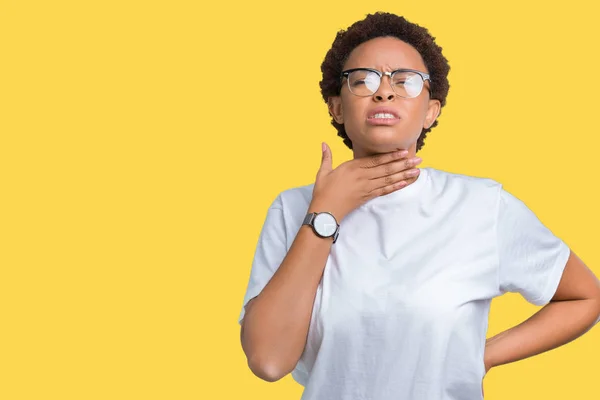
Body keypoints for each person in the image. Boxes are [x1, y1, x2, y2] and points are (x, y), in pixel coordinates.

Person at [237, 12, 600, 400]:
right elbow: (269, 361)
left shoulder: (481, 206)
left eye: (405, 82)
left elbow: (584, 296)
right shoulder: (293, 209)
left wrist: (481, 356)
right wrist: (326, 212)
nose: (384, 92)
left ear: (431, 112)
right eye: (363, 80)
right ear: (336, 107)